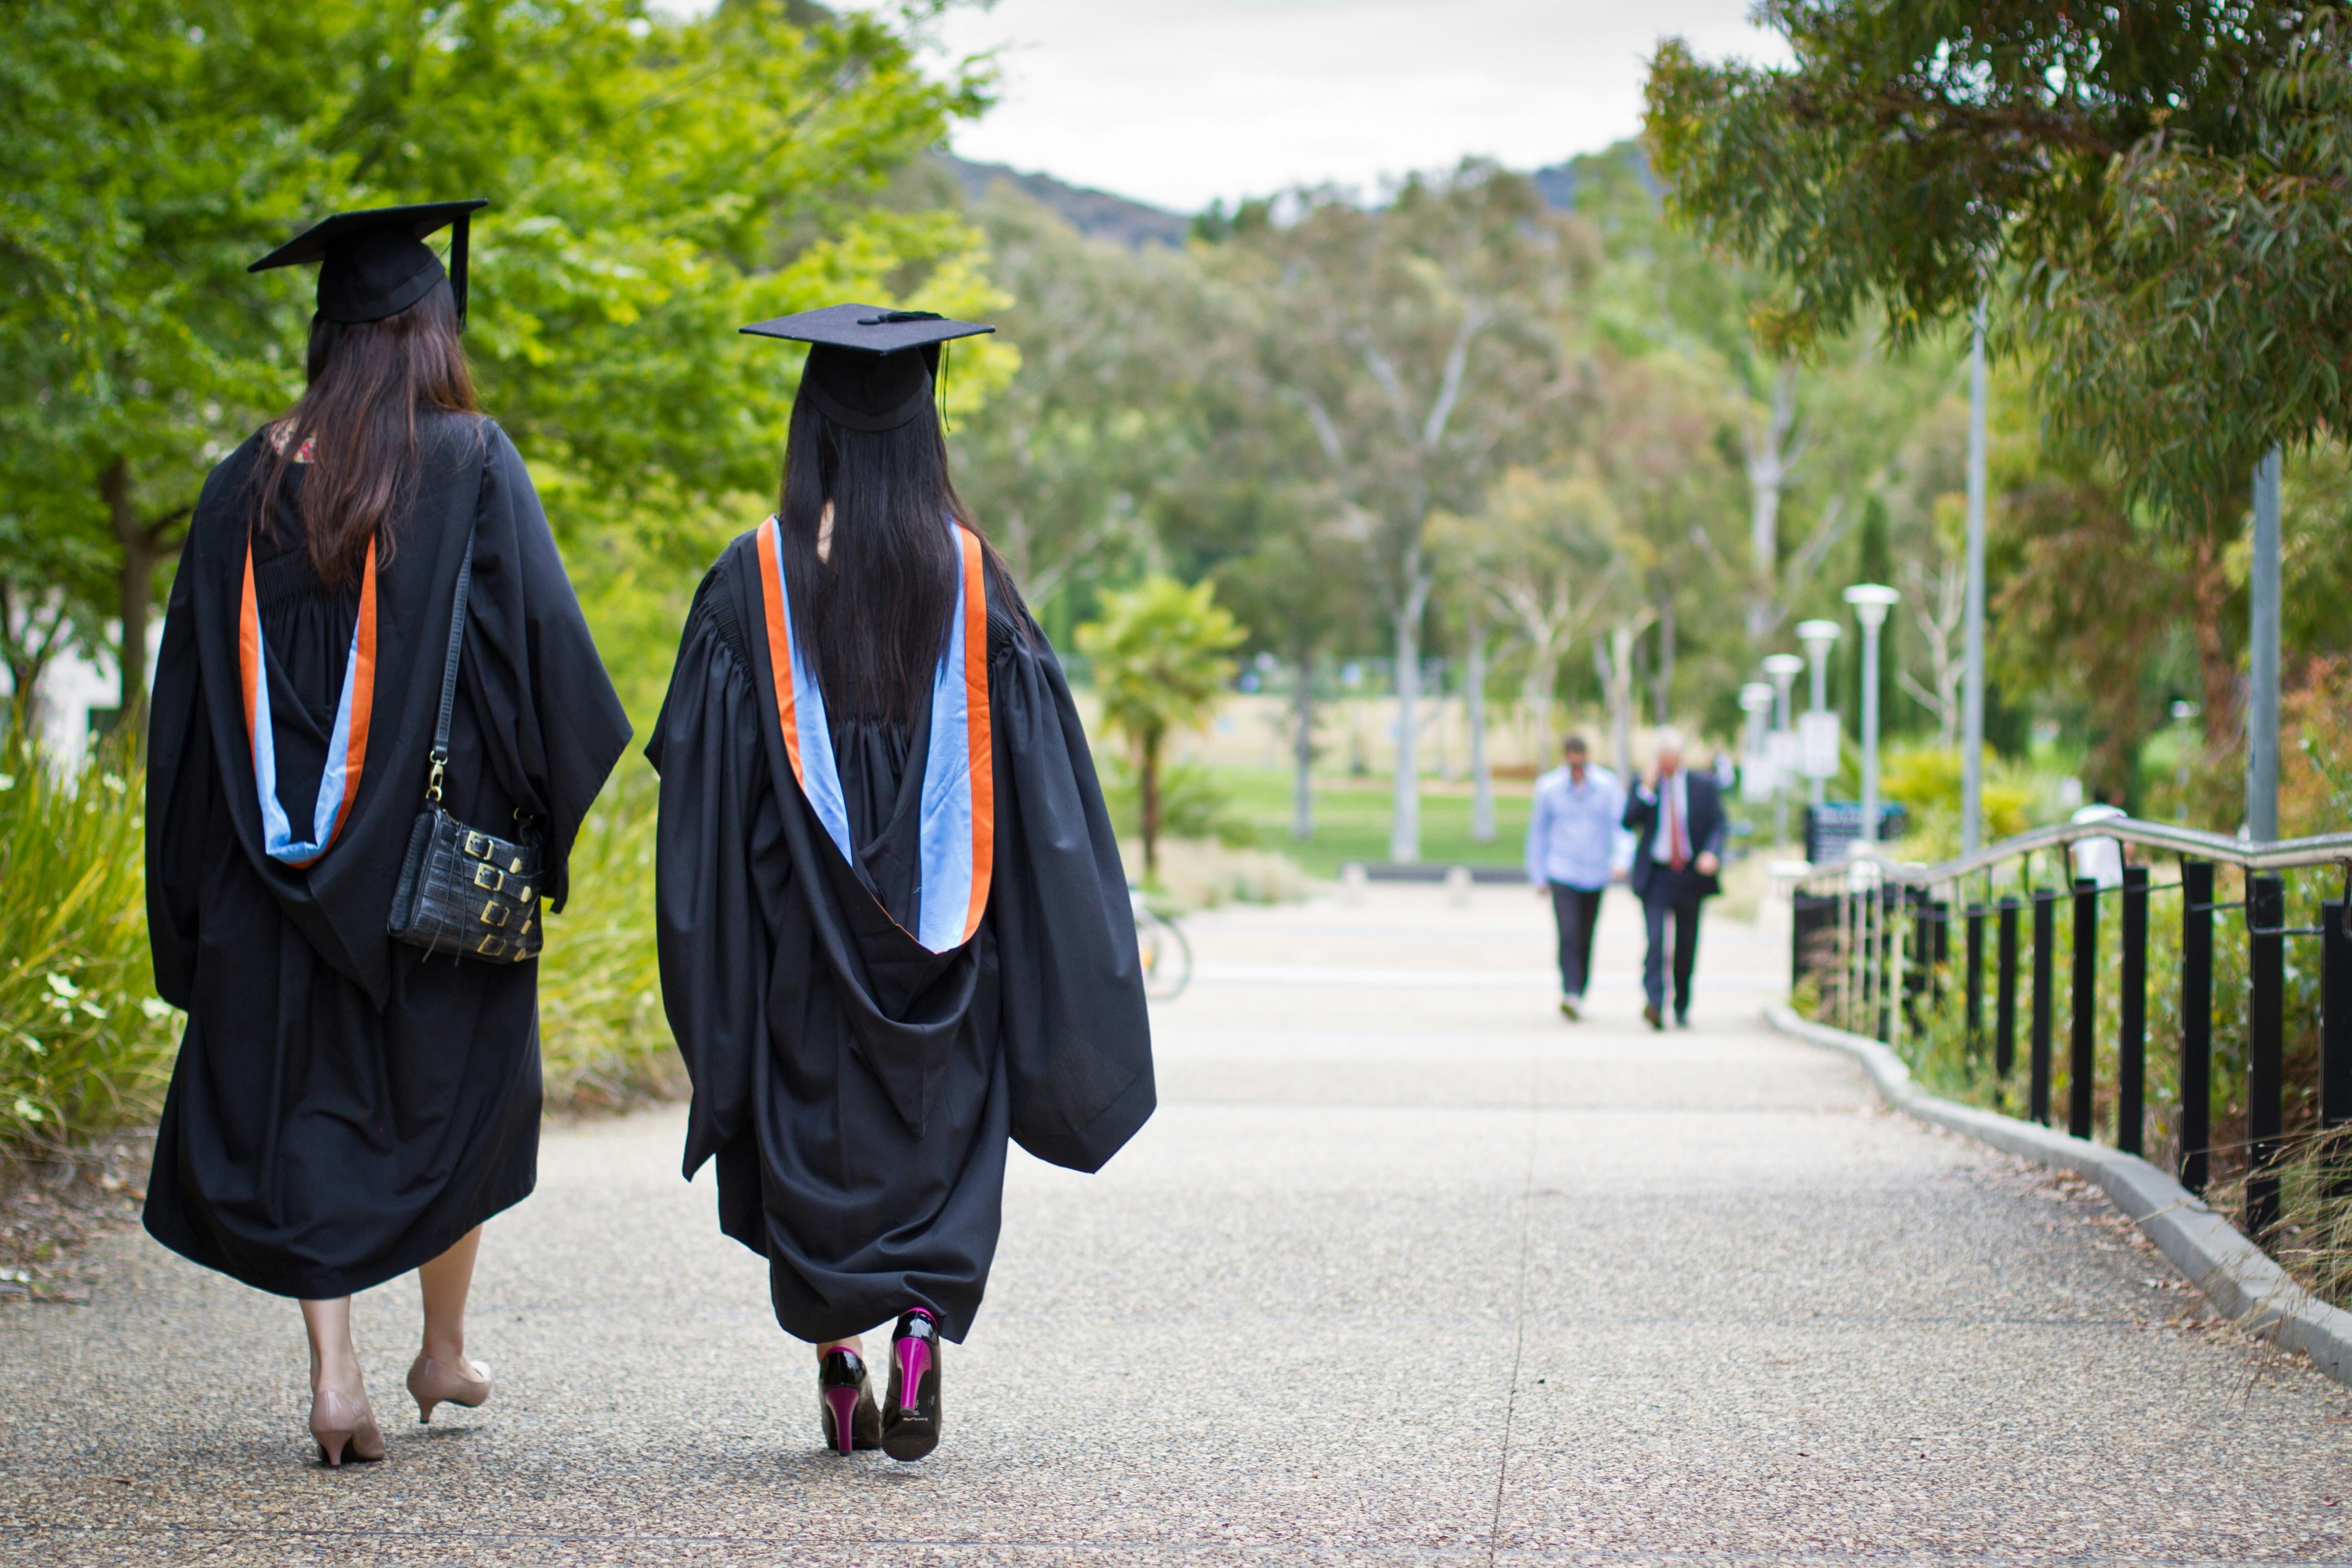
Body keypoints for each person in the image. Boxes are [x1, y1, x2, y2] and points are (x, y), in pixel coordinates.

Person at [142, 201, 630, 1467]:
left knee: (307, 1102)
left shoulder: (235, 485)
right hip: (430, 869)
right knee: (453, 1093)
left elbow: (186, 712)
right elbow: (550, 668)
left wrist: (193, 895)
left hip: (270, 866)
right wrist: (535, 818)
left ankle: (335, 1371)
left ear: (326, 334)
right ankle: (442, 1346)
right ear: (429, 332)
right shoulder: (467, 459)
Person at [647, 303, 1155, 1463]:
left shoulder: (751, 579)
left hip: (795, 958)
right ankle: (921, 1320)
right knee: (935, 1140)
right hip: (948, 955)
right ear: (924, 433)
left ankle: (839, 1364)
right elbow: (1042, 795)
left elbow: (701, 795)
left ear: (807, 428)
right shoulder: (973, 579)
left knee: (807, 1151)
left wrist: (714, 953)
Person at [1621, 727, 1727, 1031]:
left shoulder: (1702, 786)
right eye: (1662, 755)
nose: (1668, 760)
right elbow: (1628, 821)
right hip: (1656, 876)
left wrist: (1712, 853)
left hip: (1691, 876)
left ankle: (1681, 1004)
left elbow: (1720, 824)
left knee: (1685, 946)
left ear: (1681, 756)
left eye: (1673, 754)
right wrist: (1646, 789)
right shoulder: (1645, 785)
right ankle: (1655, 1002)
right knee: (1656, 942)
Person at [1524, 734, 1623, 1020]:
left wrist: (1620, 859)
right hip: (1562, 870)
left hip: (1595, 870)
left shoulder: (1607, 786)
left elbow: (1620, 826)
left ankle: (1580, 989)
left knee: (1586, 935)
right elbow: (1538, 833)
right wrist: (1539, 875)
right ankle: (1570, 990)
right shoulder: (1548, 789)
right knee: (1568, 933)